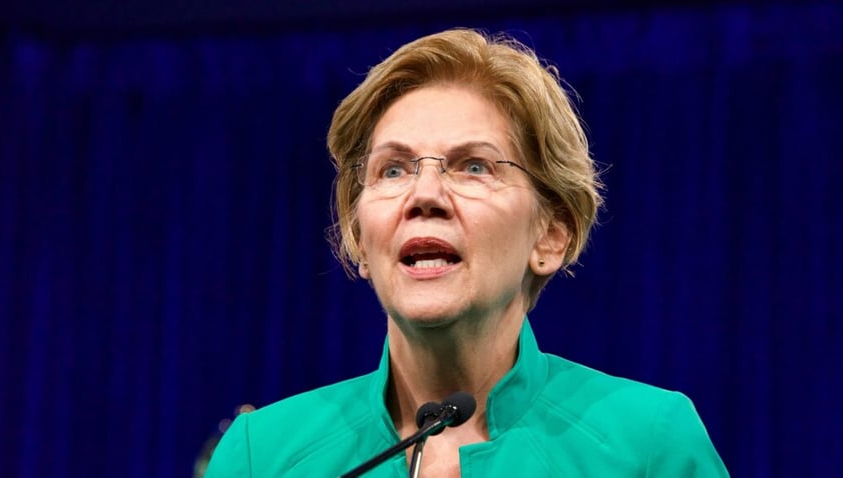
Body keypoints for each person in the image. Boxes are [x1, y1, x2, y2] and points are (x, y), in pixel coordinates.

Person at [205, 28, 728, 477]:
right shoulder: (263, 455)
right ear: (359, 238)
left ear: (551, 235)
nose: (424, 195)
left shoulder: (648, 443)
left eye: (474, 166)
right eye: (393, 170)